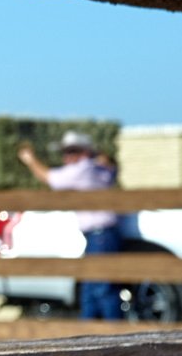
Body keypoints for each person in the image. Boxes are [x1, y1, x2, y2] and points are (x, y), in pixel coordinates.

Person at [18, 131, 123, 320]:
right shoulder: (99, 168)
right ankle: (94, 337)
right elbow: (111, 166)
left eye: (71, 151)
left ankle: (110, 334)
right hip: (101, 235)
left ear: (83, 152)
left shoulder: (83, 169)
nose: (66, 157)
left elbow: (50, 178)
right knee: (93, 289)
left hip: (99, 235)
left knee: (101, 288)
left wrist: (30, 160)